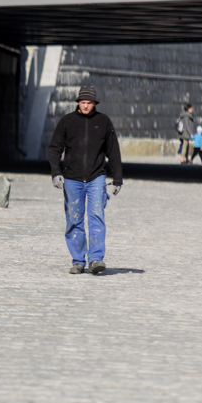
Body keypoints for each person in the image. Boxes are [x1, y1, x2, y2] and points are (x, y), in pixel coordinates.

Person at [47, 85, 123, 276]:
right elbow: (55, 148)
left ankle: (96, 259)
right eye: (83, 102)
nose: (86, 106)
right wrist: (56, 172)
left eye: (89, 103)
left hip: (96, 177)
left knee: (97, 216)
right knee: (74, 219)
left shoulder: (104, 122)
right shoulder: (67, 122)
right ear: (78, 103)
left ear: (94, 103)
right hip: (72, 179)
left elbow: (113, 151)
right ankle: (78, 261)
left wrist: (117, 179)